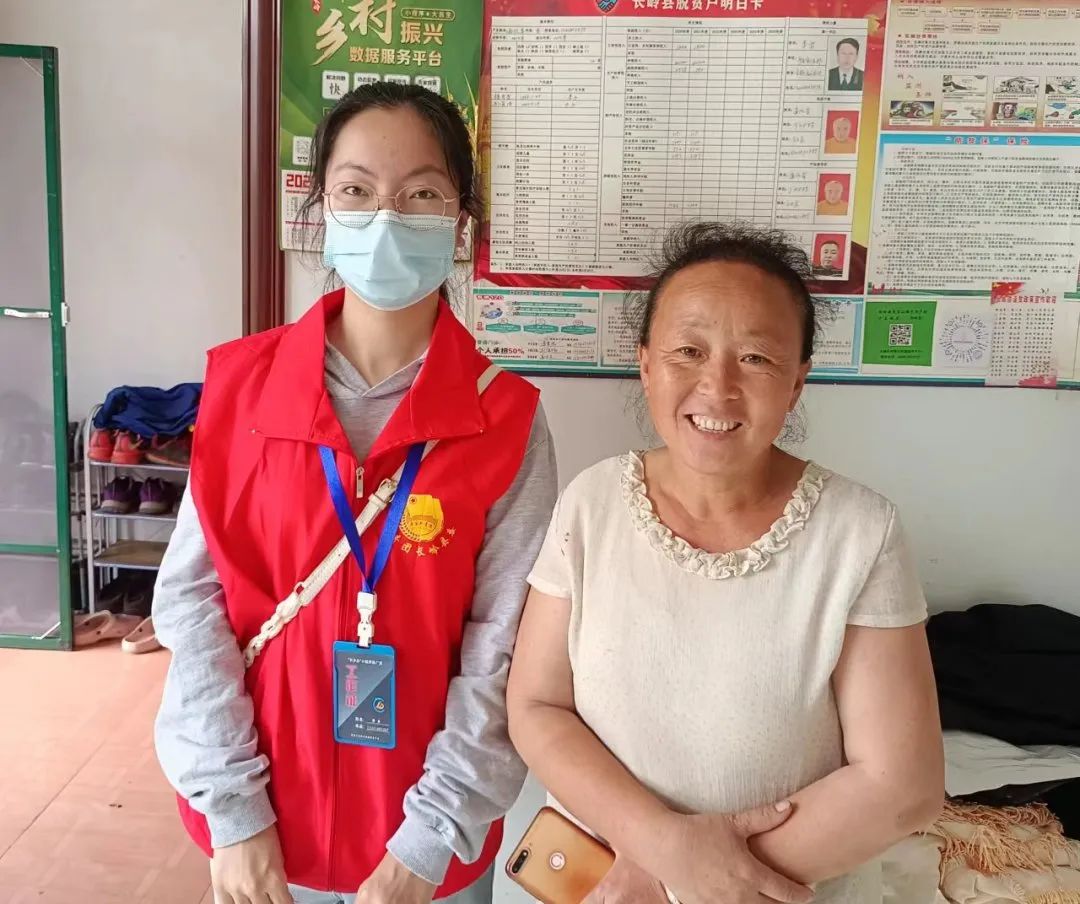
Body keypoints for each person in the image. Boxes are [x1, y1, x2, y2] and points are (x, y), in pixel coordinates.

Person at [153, 81, 558, 904]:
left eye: (423, 194)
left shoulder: (506, 419)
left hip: (425, 848)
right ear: (322, 213)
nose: (386, 217)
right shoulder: (241, 389)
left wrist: (428, 842)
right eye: (357, 190)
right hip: (265, 837)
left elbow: (504, 648)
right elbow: (192, 603)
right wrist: (235, 813)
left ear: (461, 223)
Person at [507, 221, 944, 904]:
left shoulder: (861, 531)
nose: (718, 386)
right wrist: (664, 847)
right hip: (604, 886)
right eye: (688, 350)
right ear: (645, 364)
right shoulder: (591, 504)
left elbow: (902, 785)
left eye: (757, 358)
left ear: (797, 383)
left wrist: (695, 883)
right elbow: (536, 705)